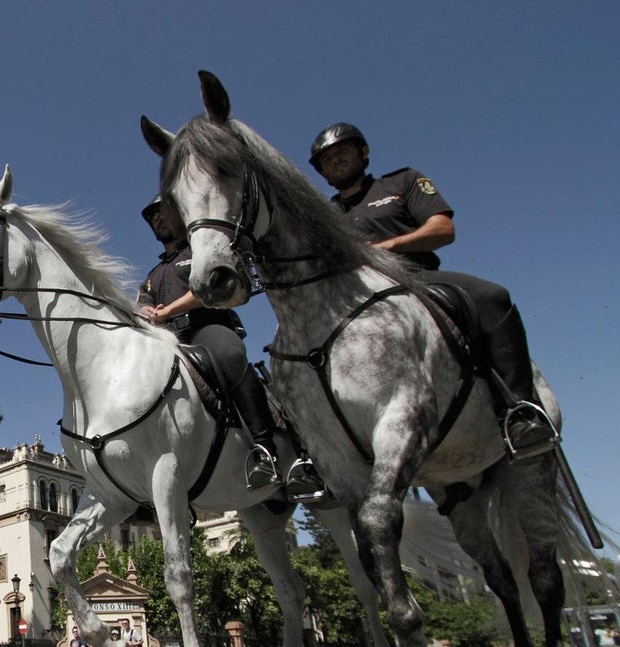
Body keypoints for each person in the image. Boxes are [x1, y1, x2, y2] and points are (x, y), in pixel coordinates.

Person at [309, 122, 557, 459]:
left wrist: (390, 245)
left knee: (492, 296)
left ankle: (522, 410)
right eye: (326, 160)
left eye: (342, 152)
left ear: (363, 153)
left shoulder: (402, 181)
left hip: (416, 278)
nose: (335, 161)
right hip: (355, 297)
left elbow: (443, 228)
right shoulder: (325, 216)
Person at [138, 194, 322, 493]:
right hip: (170, 340)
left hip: (207, 327)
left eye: (164, 213)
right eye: (153, 216)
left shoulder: (201, 252)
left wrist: (168, 311)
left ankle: (265, 449)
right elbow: (143, 304)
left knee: (230, 355)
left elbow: (210, 288)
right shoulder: (153, 275)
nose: (158, 218)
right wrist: (143, 311)